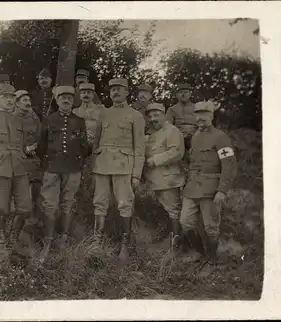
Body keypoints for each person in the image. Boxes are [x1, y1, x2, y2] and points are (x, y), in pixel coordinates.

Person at [180, 101, 237, 273]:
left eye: (204, 114)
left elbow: (230, 165)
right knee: (185, 222)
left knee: (210, 226)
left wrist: (222, 190)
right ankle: (199, 254)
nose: (200, 118)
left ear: (211, 116)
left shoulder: (220, 137)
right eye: (197, 114)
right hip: (192, 188)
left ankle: (211, 261)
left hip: (211, 188)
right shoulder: (195, 136)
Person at [91, 78, 145, 261]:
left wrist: (136, 174)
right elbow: (96, 142)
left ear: (127, 92)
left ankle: (125, 243)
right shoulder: (103, 114)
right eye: (112, 89)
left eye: (119, 89)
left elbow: (139, 148)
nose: (115, 92)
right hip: (103, 164)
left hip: (124, 166)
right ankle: (97, 241)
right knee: (100, 202)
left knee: (125, 204)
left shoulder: (135, 116)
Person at [36, 85, 90, 263]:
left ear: (73, 101)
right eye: (62, 98)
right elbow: (41, 146)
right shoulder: (48, 120)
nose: (66, 100)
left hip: (73, 169)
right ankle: (48, 243)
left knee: (68, 203)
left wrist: (80, 161)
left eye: (69, 98)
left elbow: (84, 146)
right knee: (50, 205)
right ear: (57, 100)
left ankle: (63, 242)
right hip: (52, 168)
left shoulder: (79, 121)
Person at [0, 83, 33, 248]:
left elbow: (23, 146)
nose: (9, 101)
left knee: (25, 208)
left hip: (19, 168)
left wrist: (28, 150)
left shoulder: (19, 121)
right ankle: (0, 235)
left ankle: (14, 235)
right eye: (5, 98)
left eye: (11, 98)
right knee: (1, 207)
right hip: (0, 169)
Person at [143, 103, 186, 250]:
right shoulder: (151, 133)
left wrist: (155, 160)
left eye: (156, 115)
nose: (153, 119)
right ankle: (169, 238)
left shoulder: (172, 131)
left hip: (169, 179)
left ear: (163, 115)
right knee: (166, 210)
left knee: (174, 211)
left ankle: (177, 245)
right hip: (155, 180)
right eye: (150, 116)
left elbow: (176, 152)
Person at [13, 90, 42, 231]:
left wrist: (36, 145)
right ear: (16, 103)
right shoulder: (12, 118)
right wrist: (24, 149)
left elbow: (40, 135)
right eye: (23, 100)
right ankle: (15, 233)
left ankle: (31, 229)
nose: (27, 102)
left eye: (28, 99)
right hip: (19, 163)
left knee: (36, 198)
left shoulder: (34, 117)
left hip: (34, 163)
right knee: (23, 201)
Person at [166, 83, 197, 152]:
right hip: (178, 136)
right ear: (177, 95)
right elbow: (167, 126)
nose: (183, 95)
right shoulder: (172, 109)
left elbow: (201, 124)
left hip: (195, 135)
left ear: (190, 94)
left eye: (186, 92)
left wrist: (194, 134)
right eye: (180, 92)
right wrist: (178, 134)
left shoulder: (196, 108)